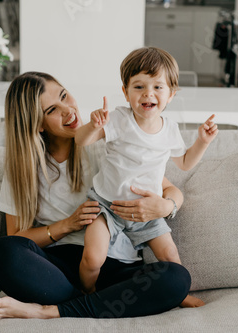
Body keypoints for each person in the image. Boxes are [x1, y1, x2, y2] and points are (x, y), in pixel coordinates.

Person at [0, 71, 202, 321]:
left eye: (65, 96)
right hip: (58, 269)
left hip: (117, 265)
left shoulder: (105, 141)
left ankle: (53, 310)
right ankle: (92, 304)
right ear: (38, 124)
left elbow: (171, 190)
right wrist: (65, 226)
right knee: (0, 252)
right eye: (52, 110)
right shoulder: (22, 169)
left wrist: (165, 207)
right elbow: (16, 237)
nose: (68, 110)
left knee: (176, 279)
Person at [75, 47, 218, 294]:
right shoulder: (119, 119)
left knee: (171, 256)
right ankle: (86, 293)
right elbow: (81, 141)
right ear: (125, 92)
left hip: (147, 211)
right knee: (92, 258)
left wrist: (202, 142)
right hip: (106, 206)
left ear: (171, 94)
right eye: (139, 87)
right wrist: (93, 125)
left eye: (157, 87)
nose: (147, 94)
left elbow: (184, 163)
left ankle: (180, 295)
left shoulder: (170, 130)